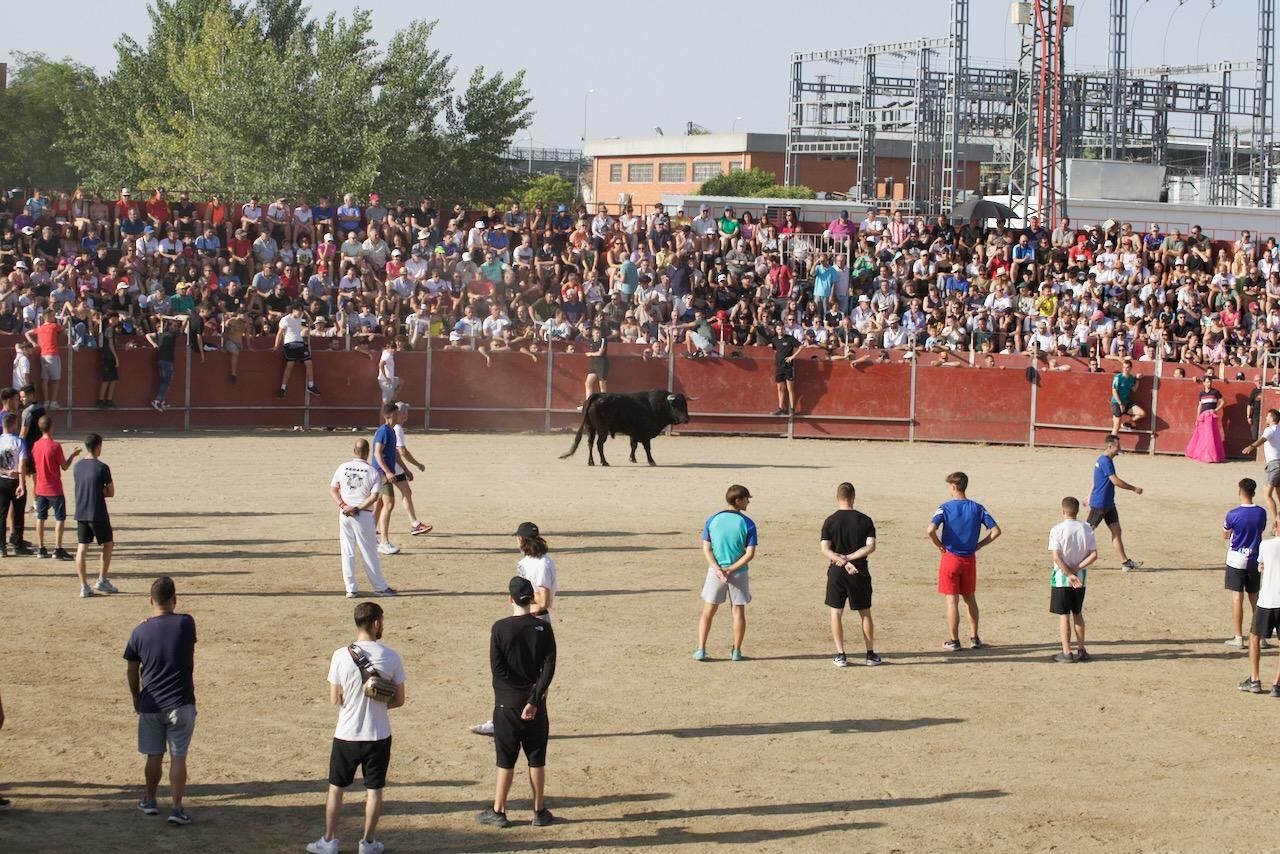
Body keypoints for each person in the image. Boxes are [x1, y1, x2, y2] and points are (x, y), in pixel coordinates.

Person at [307, 602, 406, 854]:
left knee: (336, 789)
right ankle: (368, 843)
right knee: (374, 791)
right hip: (379, 734)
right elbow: (399, 700)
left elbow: (334, 698)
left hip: (346, 734)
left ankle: (328, 841)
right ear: (375, 623)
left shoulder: (340, 655)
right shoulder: (392, 657)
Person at [475, 576, 557, 829]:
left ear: (509, 599)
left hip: (506, 705)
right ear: (532, 598)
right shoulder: (543, 628)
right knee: (536, 758)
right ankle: (539, 810)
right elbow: (549, 667)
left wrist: (509, 697)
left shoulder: (500, 628)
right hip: (536, 705)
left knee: (505, 759)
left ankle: (499, 810)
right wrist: (533, 699)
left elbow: (497, 670)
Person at [124, 576, 197, 826]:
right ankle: (177, 808)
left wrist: (136, 697)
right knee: (178, 757)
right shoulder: (186, 623)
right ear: (174, 599)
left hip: (151, 703)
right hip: (181, 702)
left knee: (153, 756)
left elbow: (132, 669)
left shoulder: (139, 631)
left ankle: (149, 799)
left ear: (150, 601)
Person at [471, 522, 557, 736]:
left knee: (536, 675)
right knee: (513, 671)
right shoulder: (525, 562)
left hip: (535, 620)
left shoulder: (542, 564)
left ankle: (535, 717)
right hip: (521, 617)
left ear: (522, 539)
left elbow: (544, 601)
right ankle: (501, 716)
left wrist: (524, 602)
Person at [926, 471, 1001, 651]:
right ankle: (974, 638)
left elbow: (930, 530)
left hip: (950, 558)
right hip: (969, 558)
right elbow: (996, 531)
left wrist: (939, 545)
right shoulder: (977, 507)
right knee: (970, 599)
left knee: (952, 601)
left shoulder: (945, 507)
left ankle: (954, 641)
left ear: (953, 487)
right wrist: (979, 545)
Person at [693, 484, 758, 662]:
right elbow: (749, 554)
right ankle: (736, 651)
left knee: (708, 611)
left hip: (715, 573)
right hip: (738, 573)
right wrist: (732, 568)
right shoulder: (748, 523)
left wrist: (717, 568)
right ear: (738, 501)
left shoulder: (712, 519)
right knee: (738, 612)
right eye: (746, 499)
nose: (748, 502)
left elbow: (707, 548)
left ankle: (700, 649)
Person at [820, 482, 879, 667]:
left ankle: (840, 654)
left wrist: (842, 561)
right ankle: (870, 654)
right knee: (865, 613)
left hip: (837, 571)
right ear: (853, 497)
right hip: (859, 570)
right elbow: (870, 546)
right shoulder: (865, 520)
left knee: (836, 613)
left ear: (837, 497)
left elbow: (825, 549)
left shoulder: (830, 520)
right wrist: (851, 559)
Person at [329, 439, 396, 598]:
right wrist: (357, 508)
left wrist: (343, 506)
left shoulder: (342, 467)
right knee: (369, 552)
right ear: (368, 453)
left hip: (344, 514)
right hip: (362, 514)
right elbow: (374, 497)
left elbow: (333, 490)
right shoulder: (372, 471)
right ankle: (379, 587)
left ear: (354, 451)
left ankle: (350, 589)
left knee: (347, 551)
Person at [1047, 496, 1098, 663]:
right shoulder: (1087, 528)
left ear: (1063, 511)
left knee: (1064, 615)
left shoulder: (1057, 530)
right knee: (1077, 613)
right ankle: (1081, 649)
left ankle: (1067, 651)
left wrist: (1068, 573)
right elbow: (1093, 555)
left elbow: (1056, 556)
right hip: (1080, 578)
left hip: (1062, 579)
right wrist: (1076, 570)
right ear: (1077, 511)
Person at [1086, 434, 1144, 571]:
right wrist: (1133, 488)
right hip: (1100, 504)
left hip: (1108, 504)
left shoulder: (1104, 460)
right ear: (1110, 446)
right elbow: (1115, 481)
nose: (1120, 448)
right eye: (1118, 446)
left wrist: (1088, 495)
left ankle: (1125, 563)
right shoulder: (1105, 461)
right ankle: (1072, 557)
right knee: (1086, 532)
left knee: (1116, 530)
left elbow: (1096, 480)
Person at [1223, 478, 1269, 649]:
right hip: (1254, 559)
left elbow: (1226, 535)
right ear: (1254, 493)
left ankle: (1238, 637)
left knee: (1237, 597)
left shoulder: (1233, 514)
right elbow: (1261, 529)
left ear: (1239, 492)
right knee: (1255, 597)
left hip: (1236, 560)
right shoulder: (1261, 512)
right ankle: (1261, 637)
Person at [1239, 520, 1280, 695]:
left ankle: (1255, 679)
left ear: (1277, 526)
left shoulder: (1267, 545)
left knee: (1254, 636)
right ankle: (1277, 684)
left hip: (1267, 600)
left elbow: (1261, 565)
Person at [73, 432, 116, 597]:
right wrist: (101, 491)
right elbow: (111, 492)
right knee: (108, 544)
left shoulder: (77, 466)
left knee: (82, 549)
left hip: (81, 512)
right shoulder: (102, 467)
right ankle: (102, 579)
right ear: (98, 447)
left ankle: (84, 586)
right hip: (97, 512)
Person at [31, 415, 79, 560]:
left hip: (40, 487)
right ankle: (58, 548)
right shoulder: (55, 446)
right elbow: (64, 466)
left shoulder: (36, 445)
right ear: (51, 427)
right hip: (54, 488)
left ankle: (41, 547)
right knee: (59, 518)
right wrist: (72, 455)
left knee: (40, 517)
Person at [391, 403, 431, 538]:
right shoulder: (398, 429)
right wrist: (417, 464)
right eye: (406, 412)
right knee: (403, 494)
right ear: (402, 415)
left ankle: (372, 527)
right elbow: (402, 451)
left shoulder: (393, 427)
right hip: (393, 467)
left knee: (383, 501)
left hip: (391, 465)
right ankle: (415, 524)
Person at [372, 404, 402, 555]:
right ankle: (383, 542)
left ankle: (369, 537)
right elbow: (377, 453)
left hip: (384, 472)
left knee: (380, 505)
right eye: (397, 414)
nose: (400, 416)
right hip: (381, 473)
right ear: (389, 416)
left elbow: (394, 454)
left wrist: (406, 469)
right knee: (389, 504)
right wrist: (388, 472)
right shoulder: (383, 431)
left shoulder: (392, 431)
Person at [0, 412, 29, 559]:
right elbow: (23, 464)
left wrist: (5, 470)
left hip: (1, 480)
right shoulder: (19, 442)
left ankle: (1, 546)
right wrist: (22, 484)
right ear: (12, 425)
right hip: (16, 479)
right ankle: (17, 545)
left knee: (1, 515)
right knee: (18, 514)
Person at [277, 302, 321, 399]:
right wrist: (276, 346)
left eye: (301, 310)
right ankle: (283, 388)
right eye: (299, 310)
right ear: (293, 310)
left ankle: (311, 385)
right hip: (289, 343)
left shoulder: (301, 315)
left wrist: (305, 313)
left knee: (309, 363)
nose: (300, 312)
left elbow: (311, 321)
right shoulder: (285, 319)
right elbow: (279, 333)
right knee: (290, 365)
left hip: (300, 343)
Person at [1243, 408, 1280, 523]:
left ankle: (1276, 523)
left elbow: (1263, 440)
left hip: (1273, 465)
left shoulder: (1269, 430)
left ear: (1272, 418)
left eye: (1268, 416)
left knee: (1267, 495)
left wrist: (1252, 446)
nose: (1266, 418)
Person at [764, 320, 805, 416]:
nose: (781, 330)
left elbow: (801, 346)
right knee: (780, 388)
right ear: (776, 330)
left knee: (790, 388)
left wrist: (792, 356)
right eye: (779, 329)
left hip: (788, 367)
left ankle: (792, 409)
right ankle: (780, 408)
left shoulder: (790, 339)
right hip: (779, 366)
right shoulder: (774, 340)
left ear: (784, 329)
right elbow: (775, 350)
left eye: (782, 328)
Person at [24, 309, 61, 408]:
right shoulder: (53, 326)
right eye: (53, 315)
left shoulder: (40, 328)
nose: (54, 317)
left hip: (43, 355)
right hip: (52, 355)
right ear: (48, 316)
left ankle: (46, 401)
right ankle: (53, 401)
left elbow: (27, 333)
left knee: (45, 379)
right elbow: (62, 328)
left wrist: (33, 343)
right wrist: (66, 320)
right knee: (55, 379)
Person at [1185, 373, 1226, 463]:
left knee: (1210, 436)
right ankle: (1204, 455)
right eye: (1207, 382)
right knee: (1203, 436)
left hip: (1210, 416)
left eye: (1210, 382)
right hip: (1202, 416)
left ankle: (1210, 456)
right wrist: (1197, 418)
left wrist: (1215, 410)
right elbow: (1199, 406)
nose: (1209, 383)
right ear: (1204, 383)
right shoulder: (1201, 393)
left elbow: (1223, 402)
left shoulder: (1215, 392)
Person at [145, 316, 182, 412]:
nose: (175, 327)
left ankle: (161, 400)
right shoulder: (172, 335)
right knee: (166, 382)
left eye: (176, 326)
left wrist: (154, 344)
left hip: (161, 359)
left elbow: (148, 335)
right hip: (166, 360)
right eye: (173, 326)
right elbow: (148, 335)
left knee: (164, 381)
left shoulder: (161, 334)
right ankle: (157, 401)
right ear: (169, 327)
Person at [1110, 359, 1145, 433]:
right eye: (1123, 367)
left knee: (1142, 413)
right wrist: (1120, 403)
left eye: (1127, 367)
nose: (1125, 369)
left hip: (1126, 403)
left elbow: (1134, 389)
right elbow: (1114, 391)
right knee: (1116, 426)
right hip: (1116, 403)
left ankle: (1127, 423)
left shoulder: (1131, 378)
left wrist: (1137, 379)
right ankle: (1111, 443)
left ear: (1131, 368)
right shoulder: (1118, 377)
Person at [583, 325, 607, 404]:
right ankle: (588, 403)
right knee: (588, 383)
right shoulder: (591, 340)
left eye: (599, 333)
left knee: (602, 385)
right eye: (596, 333)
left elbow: (600, 353)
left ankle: (604, 403)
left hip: (602, 364)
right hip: (594, 364)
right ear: (593, 333)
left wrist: (590, 354)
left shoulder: (603, 340)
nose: (598, 334)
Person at [377, 338, 401, 405]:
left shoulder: (385, 352)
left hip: (388, 379)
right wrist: (386, 378)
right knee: (385, 403)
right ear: (388, 348)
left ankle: (393, 399)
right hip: (386, 381)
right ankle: (384, 414)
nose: (393, 350)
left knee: (401, 382)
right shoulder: (388, 356)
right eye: (391, 348)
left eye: (394, 348)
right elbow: (380, 364)